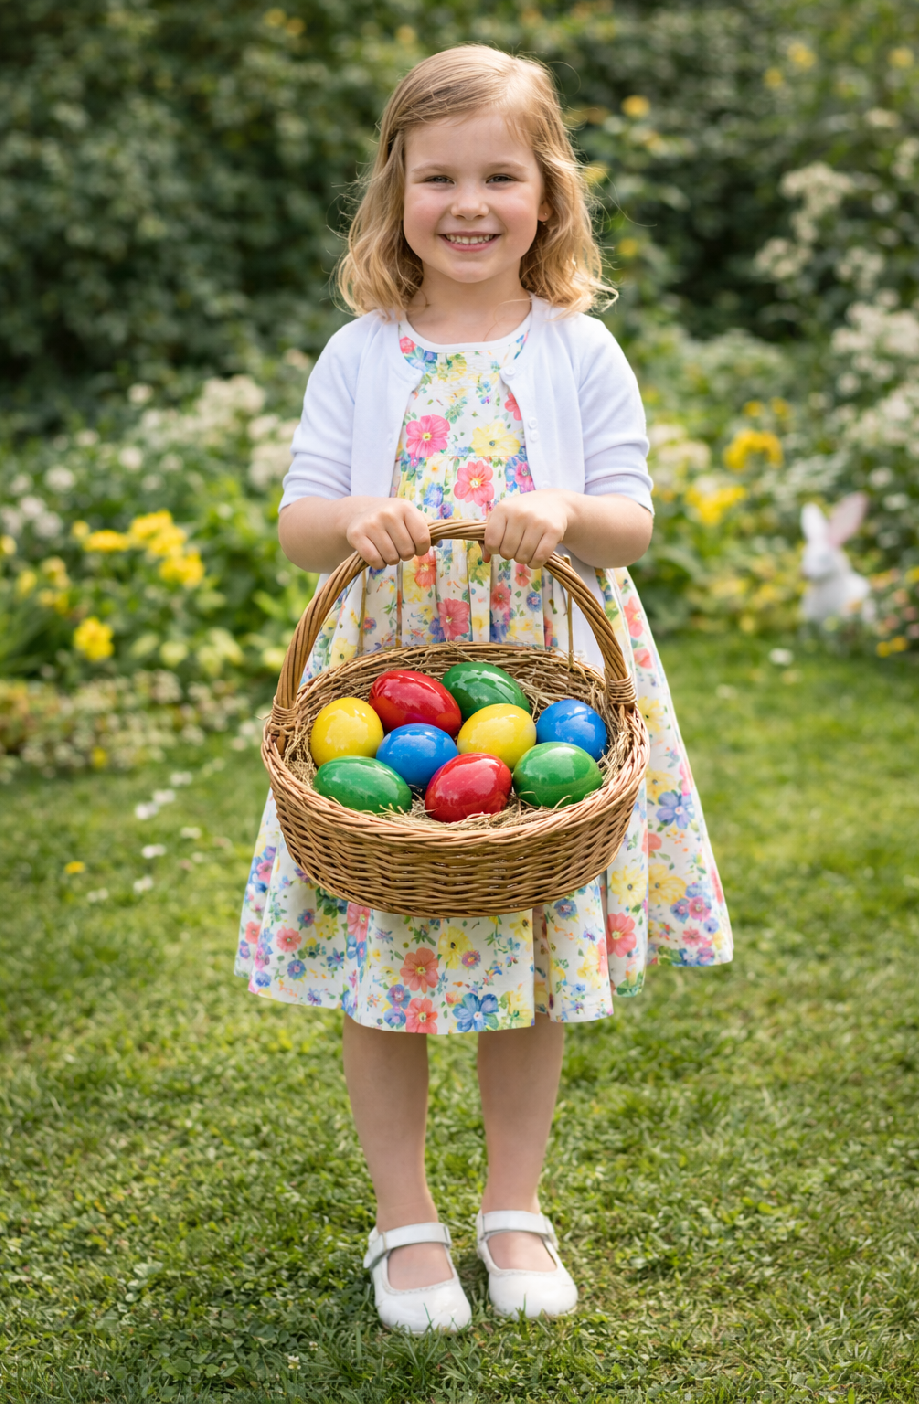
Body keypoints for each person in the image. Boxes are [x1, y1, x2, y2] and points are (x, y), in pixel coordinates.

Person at [236, 44, 732, 1333]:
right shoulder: (363, 353)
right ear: (394, 192)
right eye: (437, 176)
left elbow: (630, 524)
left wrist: (563, 506)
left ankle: (515, 1205)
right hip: (392, 675)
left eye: (499, 175)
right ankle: (404, 1218)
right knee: (388, 947)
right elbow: (298, 523)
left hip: (549, 670)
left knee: (534, 939)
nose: (468, 203)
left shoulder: (578, 349)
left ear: (548, 193)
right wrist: (359, 518)